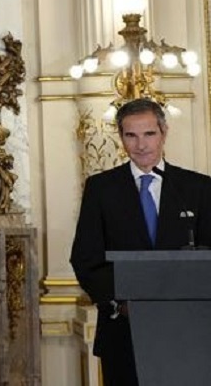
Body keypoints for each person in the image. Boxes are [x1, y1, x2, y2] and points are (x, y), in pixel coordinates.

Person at [70, 98, 211, 386]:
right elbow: (86, 257)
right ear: (121, 137)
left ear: (164, 133)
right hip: (123, 331)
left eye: (149, 134)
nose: (141, 145)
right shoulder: (100, 188)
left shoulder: (198, 187)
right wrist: (121, 303)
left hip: (188, 331)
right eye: (131, 135)